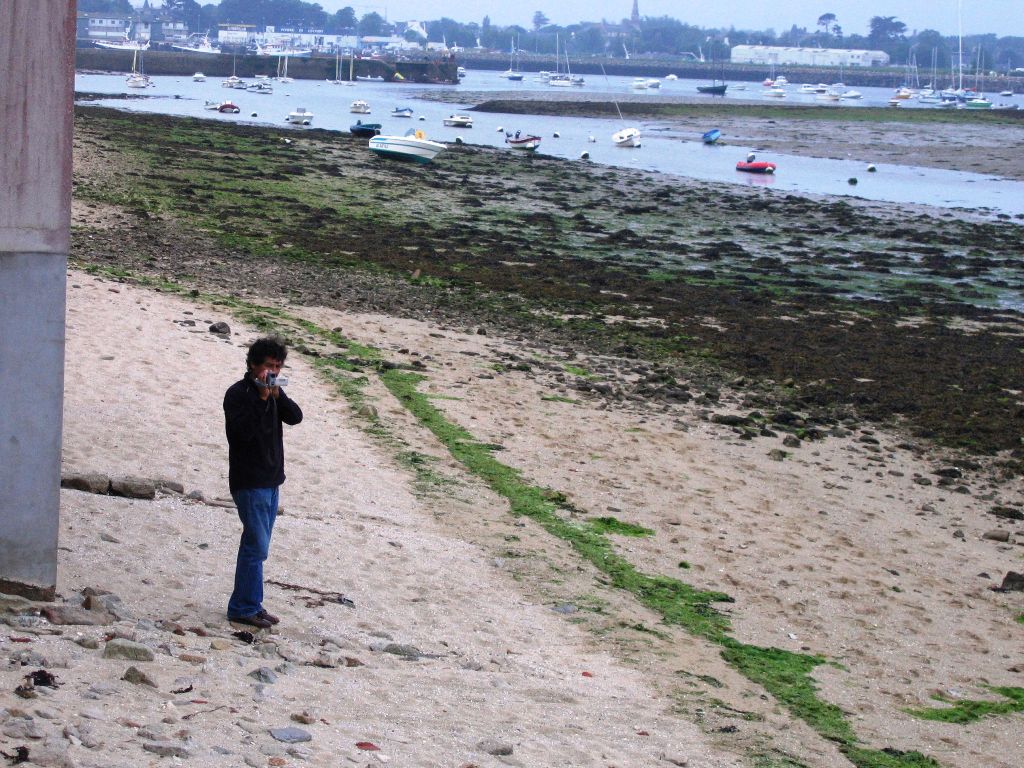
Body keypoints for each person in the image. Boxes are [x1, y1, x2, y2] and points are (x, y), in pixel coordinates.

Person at [223, 336, 303, 629]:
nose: (273, 372)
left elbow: (296, 418)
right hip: (249, 480)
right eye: (269, 366)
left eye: (278, 367)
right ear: (254, 365)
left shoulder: (274, 393)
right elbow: (242, 433)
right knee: (257, 546)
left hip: (271, 480)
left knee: (257, 544)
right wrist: (261, 398)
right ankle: (243, 607)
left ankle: (250, 604)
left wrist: (277, 395)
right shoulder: (238, 394)